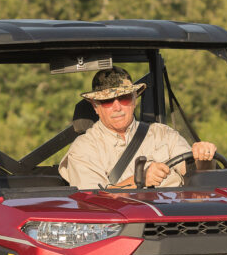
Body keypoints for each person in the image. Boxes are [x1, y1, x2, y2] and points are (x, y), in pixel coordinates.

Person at [58, 66, 218, 189]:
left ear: (135, 100)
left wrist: (203, 157)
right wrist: (139, 180)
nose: (117, 107)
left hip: (178, 217)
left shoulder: (163, 134)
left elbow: (199, 178)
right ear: (95, 106)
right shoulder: (83, 148)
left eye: (124, 98)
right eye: (107, 101)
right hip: (127, 227)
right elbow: (93, 202)